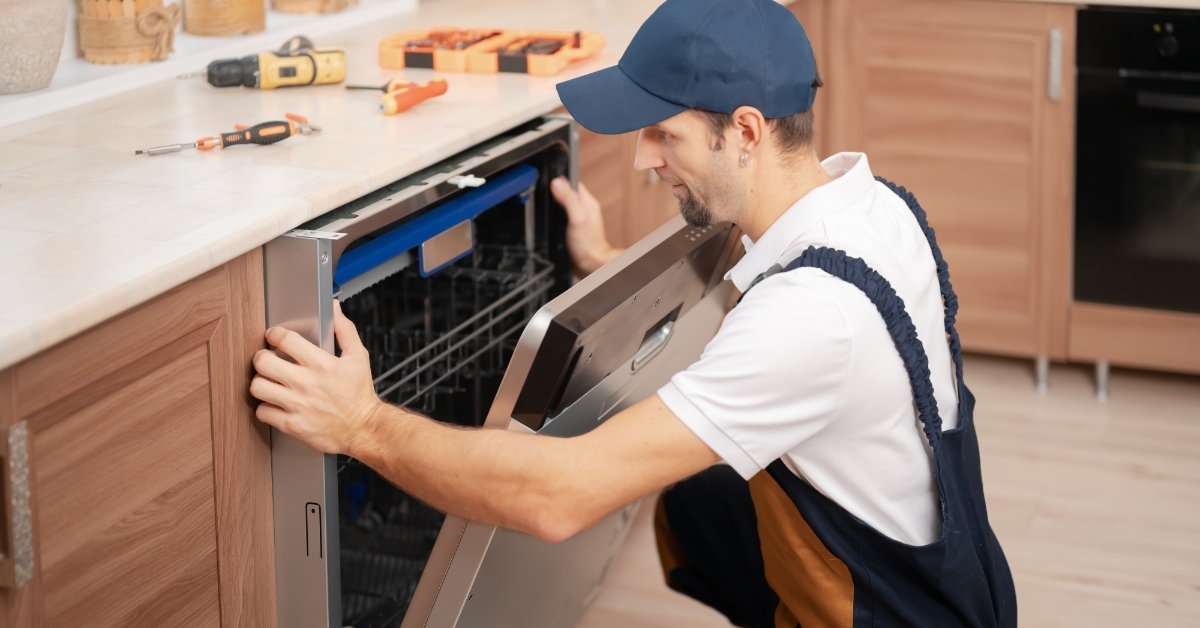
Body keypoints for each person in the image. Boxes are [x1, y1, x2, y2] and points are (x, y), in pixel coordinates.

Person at [249, 0, 1017, 625]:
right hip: (955, 585)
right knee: (702, 494)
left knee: (696, 486)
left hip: (894, 614)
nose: (646, 158)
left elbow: (558, 497)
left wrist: (361, 424)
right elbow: (734, 338)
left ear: (744, 132)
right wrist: (603, 262)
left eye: (665, 133)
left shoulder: (813, 315)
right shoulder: (871, 207)